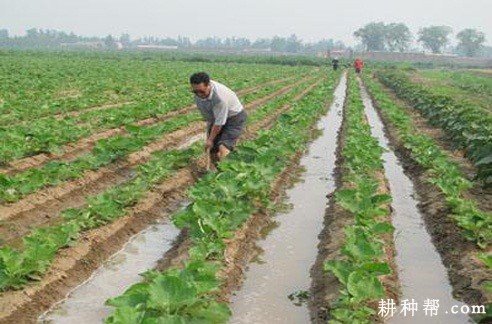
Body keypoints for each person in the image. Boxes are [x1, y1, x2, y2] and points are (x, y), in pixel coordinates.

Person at [190, 72, 247, 166]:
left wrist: (210, 139)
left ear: (208, 85)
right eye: (195, 92)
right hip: (216, 118)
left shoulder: (220, 98)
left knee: (223, 148)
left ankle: (228, 174)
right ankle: (218, 171)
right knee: (212, 150)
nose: (199, 95)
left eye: (202, 91)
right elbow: (211, 118)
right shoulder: (199, 92)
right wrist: (210, 136)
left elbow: (219, 123)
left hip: (234, 118)